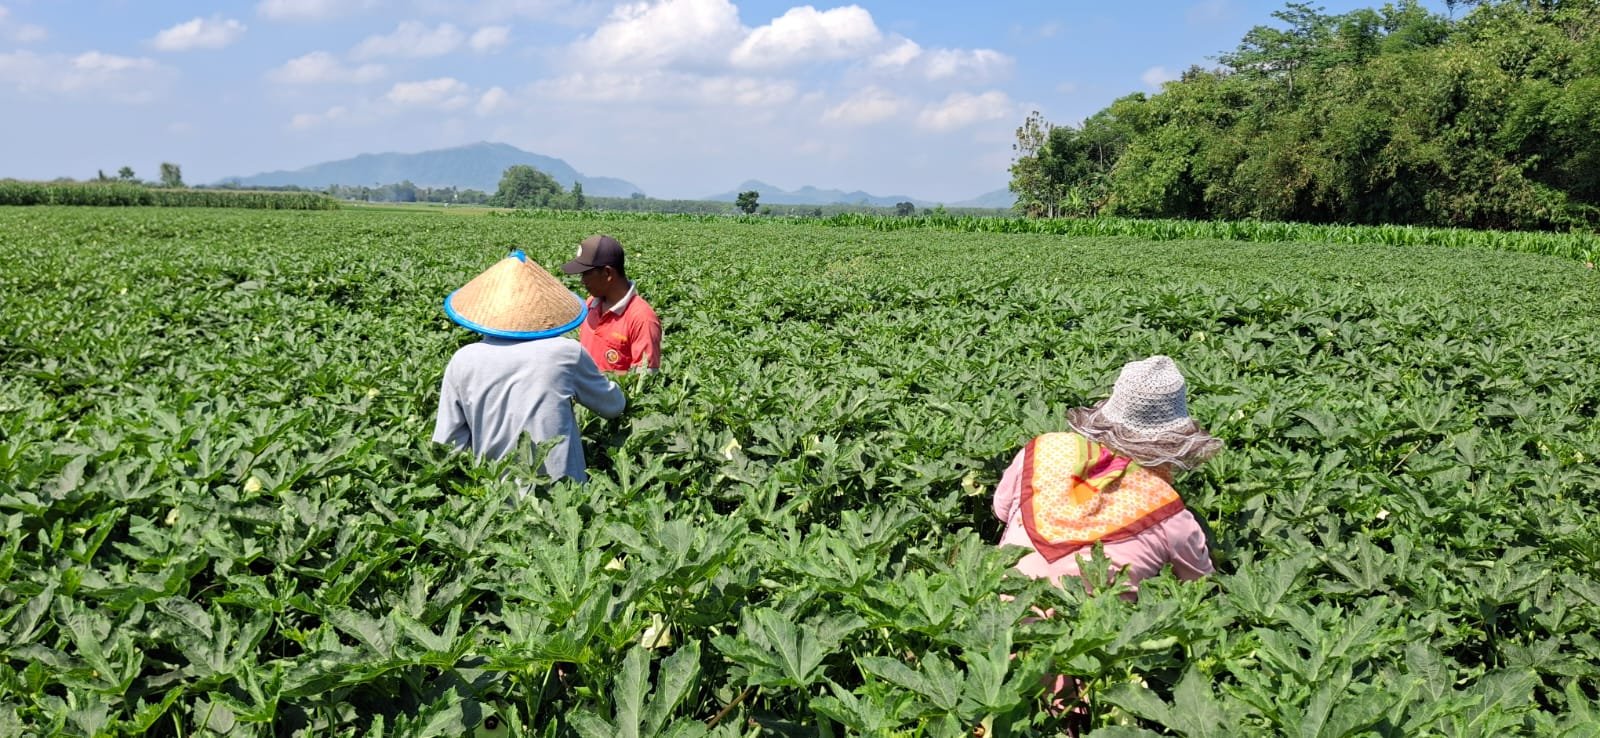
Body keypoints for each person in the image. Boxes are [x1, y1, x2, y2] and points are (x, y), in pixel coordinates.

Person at [993, 355, 1220, 598]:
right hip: (1094, 619)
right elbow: (1202, 588)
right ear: (1174, 438)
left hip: (997, 608)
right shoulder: (1168, 513)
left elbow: (1001, 510)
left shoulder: (1043, 448)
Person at [433, 250, 625, 483]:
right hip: (563, 494)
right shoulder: (565, 353)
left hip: (495, 494)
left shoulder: (463, 360)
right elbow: (613, 406)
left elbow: (447, 446)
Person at [561, 234, 661, 373]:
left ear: (607, 273)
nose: (582, 281)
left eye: (586, 274)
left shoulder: (642, 319)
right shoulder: (591, 303)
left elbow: (644, 378)